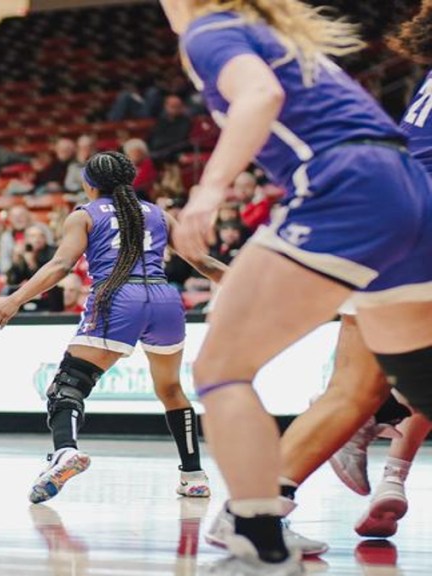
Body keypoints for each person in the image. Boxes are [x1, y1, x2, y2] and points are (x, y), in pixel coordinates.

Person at [161, 1, 432, 572]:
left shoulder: (212, 31)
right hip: (409, 190)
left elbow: (260, 97)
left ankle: (256, 535)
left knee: (220, 369)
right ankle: (261, 520)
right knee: (421, 381)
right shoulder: (270, 30)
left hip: (346, 187)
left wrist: (208, 192)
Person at [238, 1, 432, 551]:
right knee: (360, 388)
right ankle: (390, 425)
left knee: (352, 388)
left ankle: (253, 516)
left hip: (387, 213)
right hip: (418, 226)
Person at [0, 151, 225, 503]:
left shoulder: (85, 215)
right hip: (165, 299)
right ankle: (194, 475)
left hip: (118, 297)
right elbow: (202, 261)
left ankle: (65, 452)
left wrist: (13, 299)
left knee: (68, 387)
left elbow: (61, 265)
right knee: (171, 389)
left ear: (88, 184)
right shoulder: (159, 214)